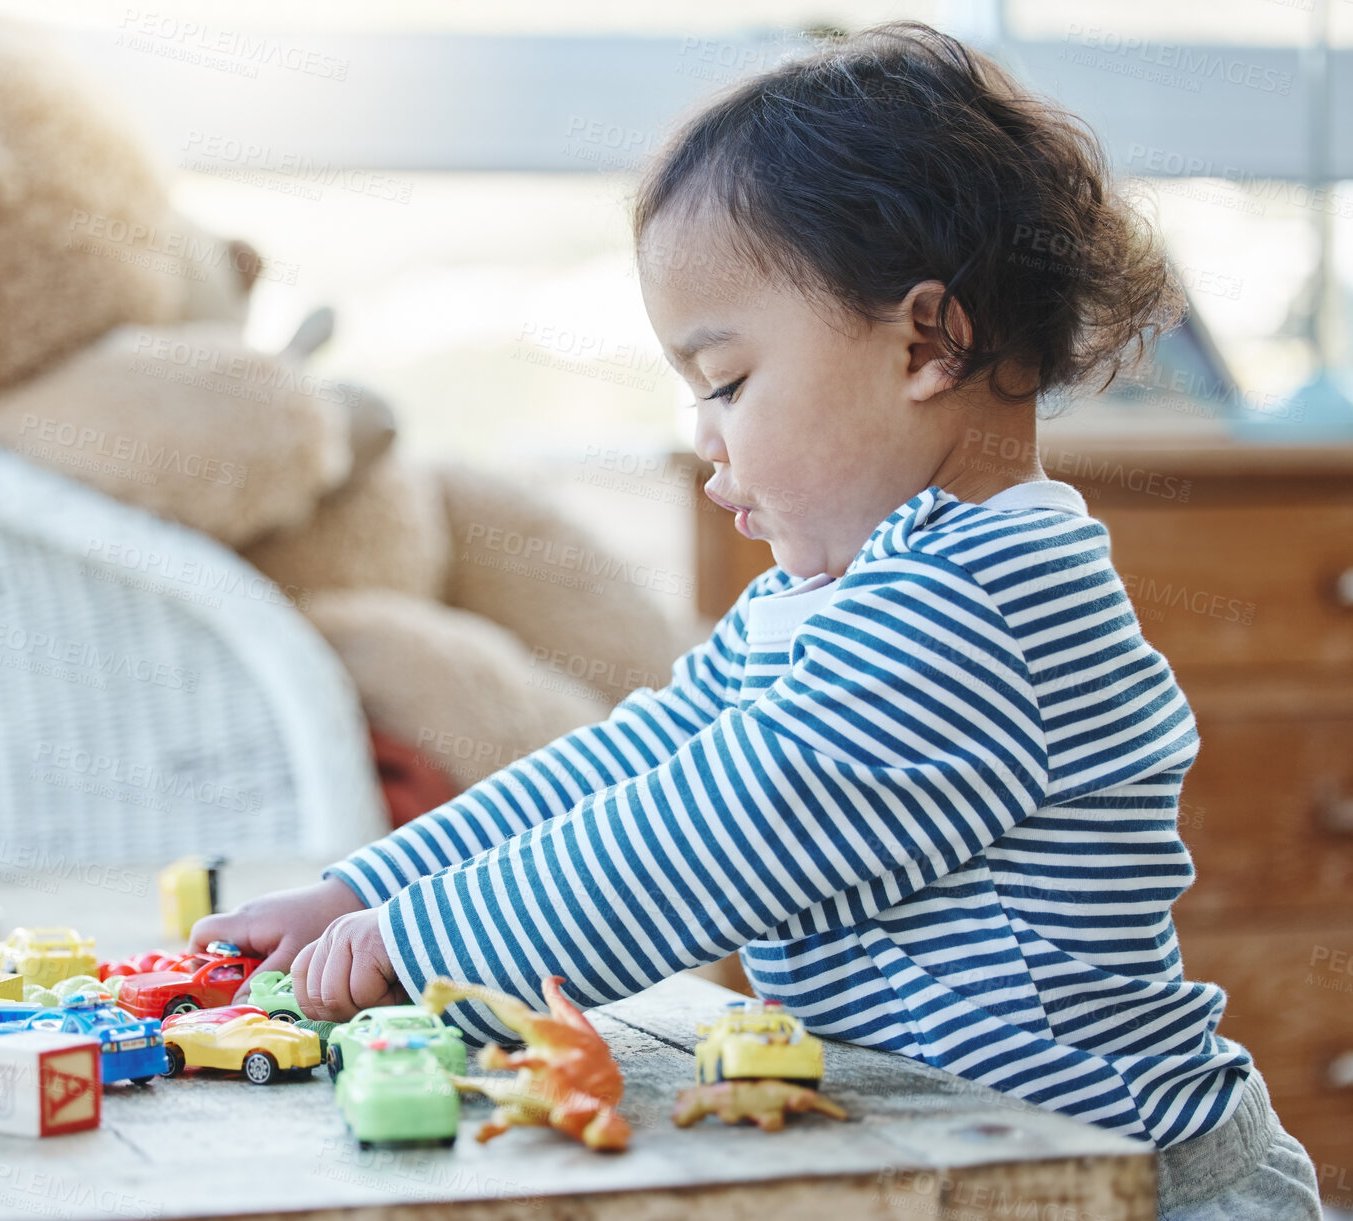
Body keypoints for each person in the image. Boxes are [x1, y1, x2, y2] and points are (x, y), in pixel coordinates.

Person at [193, 21, 1321, 1218]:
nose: (704, 437)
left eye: (727, 383)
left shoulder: (979, 603)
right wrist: (369, 889)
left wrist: (418, 946)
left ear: (926, 342)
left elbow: (699, 835)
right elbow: (638, 759)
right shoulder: (830, 596)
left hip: (1119, 1185)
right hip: (954, 1165)